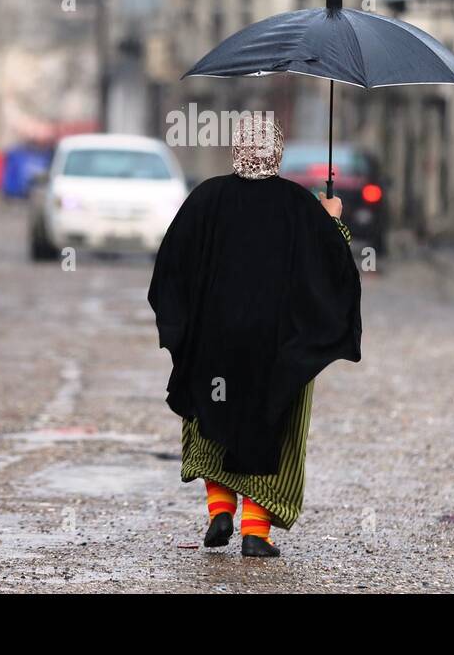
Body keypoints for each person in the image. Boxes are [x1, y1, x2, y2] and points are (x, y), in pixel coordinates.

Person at [147, 112, 362, 557]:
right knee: (272, 423)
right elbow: (333, 269)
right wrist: (332, 219)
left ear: (237, 149)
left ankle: (219, 509)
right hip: (278, 346)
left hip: (214, 341)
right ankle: (255, 533)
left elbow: (170, 266)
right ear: (278, 152)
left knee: (211, 418)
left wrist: (184, 329)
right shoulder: (300, 205)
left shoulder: (206, 197)